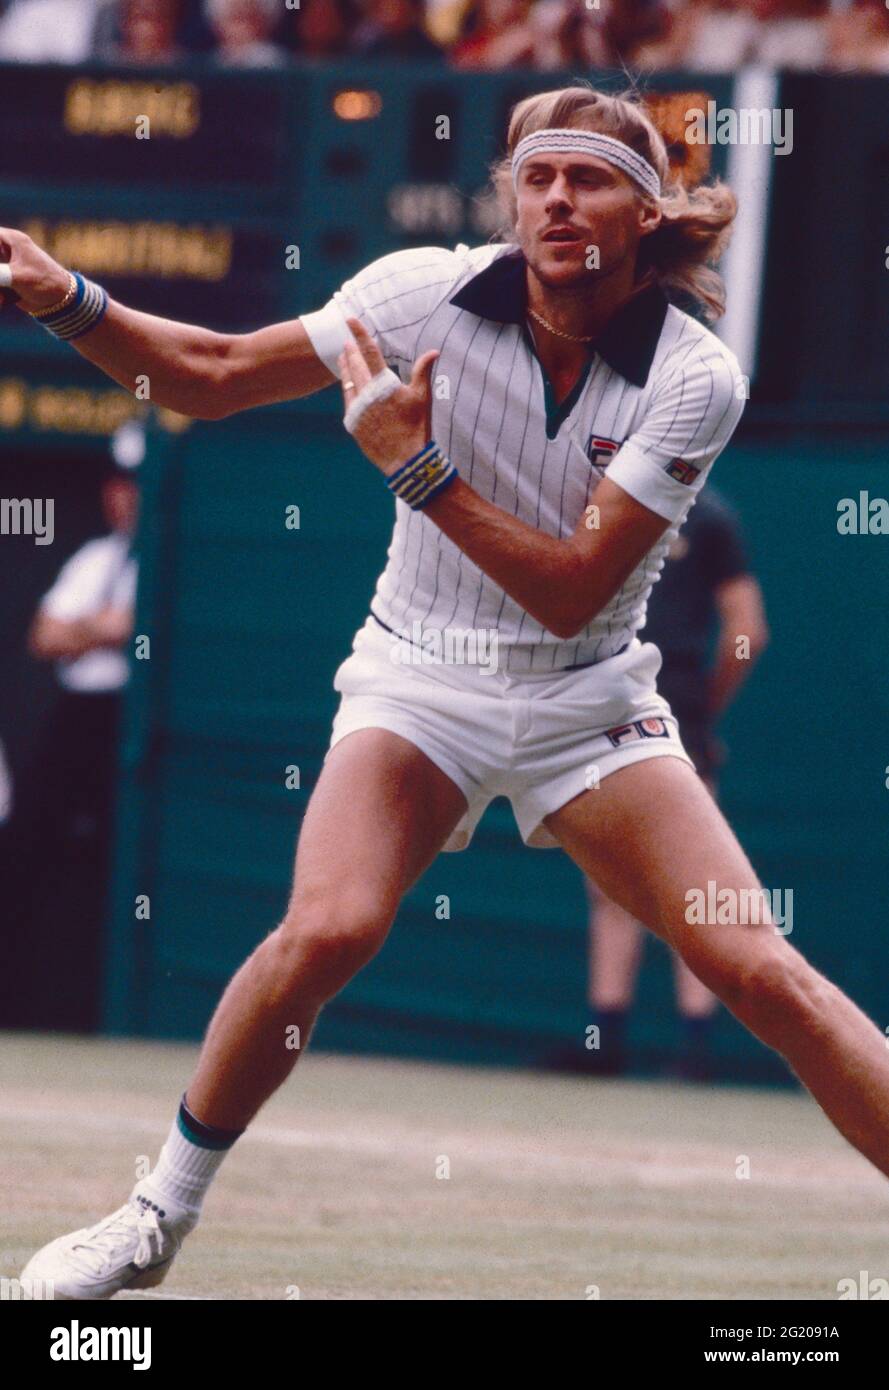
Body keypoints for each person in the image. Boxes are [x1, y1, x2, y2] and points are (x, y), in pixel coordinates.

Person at [6, 84, 889, 1300]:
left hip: (590, 701)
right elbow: (206, 373)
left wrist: (415, 468)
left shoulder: (696, 376)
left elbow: (575, 590)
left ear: (646, 214)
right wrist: (69, 300)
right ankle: (155, 1218)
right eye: (537, 177)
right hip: (418, 678)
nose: (558, 200)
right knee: (327, 930)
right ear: (510, 200)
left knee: (762, 975)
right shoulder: (418, 290)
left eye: (589, 180)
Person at [550, 488, 770, 1080]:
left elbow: (747, 629)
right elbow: (748, 629)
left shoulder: (700, 517)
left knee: (685, 886)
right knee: (618, 881)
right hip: (621, 708)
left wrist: (702, 709)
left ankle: (677, 1048)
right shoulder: (602, 501)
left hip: (649, 711)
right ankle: (622, 1043)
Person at [2, 449, 138, 1032]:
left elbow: (126, 630)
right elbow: (45, 635)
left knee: (115, 863)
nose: (124, 496)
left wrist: (97, 631)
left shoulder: (171, 556)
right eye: (117, 484)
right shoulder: (95, 558)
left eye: (135, 483)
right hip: (78, 719)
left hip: (126, 725)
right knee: (25, 847)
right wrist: (102, 629)